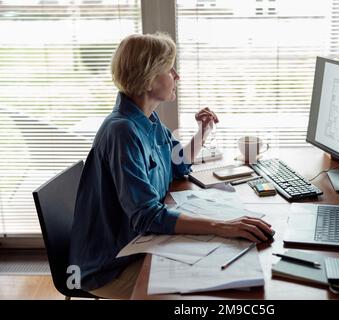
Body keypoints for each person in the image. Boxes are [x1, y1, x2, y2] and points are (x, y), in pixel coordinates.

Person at [69, 33, 273, 299]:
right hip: (111, 264)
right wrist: (223, 226)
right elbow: (147, 217)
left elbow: (177, 163)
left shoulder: (147, 118)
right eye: (169, 68)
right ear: (148, 78)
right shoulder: (122, 132)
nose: (177, 76)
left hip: (138, 243)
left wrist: (203, 132)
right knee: (210, 293)